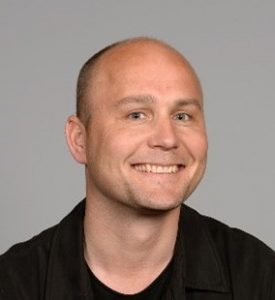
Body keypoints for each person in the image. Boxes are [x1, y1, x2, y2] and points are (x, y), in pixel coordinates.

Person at [0, 37, 274, 300]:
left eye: (182, 116)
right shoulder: (13, 285)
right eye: (137, 115)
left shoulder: (260, 278)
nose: (167, 139)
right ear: (79, 140)